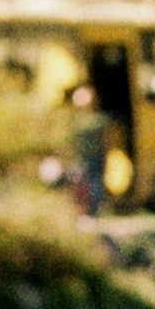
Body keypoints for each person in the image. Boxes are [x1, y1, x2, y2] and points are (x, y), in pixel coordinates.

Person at [67, 85, 108, 217]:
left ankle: (86, 213)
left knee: (88, 186)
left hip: (89, 158)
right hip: (86, 158)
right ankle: (89, 212)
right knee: (89, 185)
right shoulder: (97, 120)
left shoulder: (75, 121)